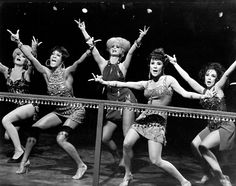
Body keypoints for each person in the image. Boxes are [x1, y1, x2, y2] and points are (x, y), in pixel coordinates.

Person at [91, 48, 213, 186]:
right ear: (149, 65)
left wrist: (203, 96)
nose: (155, 66)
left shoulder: (168, 80)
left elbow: (186, 94)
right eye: (153, 63)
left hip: (157, 122)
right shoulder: (147, 83)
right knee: (126, 143)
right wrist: (105, 83)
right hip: (144, 118)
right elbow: (123, 83)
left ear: (163, 66)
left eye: (158, 64)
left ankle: (184, 181)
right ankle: (128, 175)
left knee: (156, 160)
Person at [8, 29, 90, 179]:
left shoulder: (66, 72)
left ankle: (81, 165)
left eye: (58, 55)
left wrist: (88, 50)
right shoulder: (46, 72)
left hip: (75, 110)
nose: (54, 56)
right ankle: (24, 162)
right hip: (59, 111)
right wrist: (19, 43)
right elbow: (32, 59)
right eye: (53, 54)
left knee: (60, 139)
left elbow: (77, 63)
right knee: (34, 129)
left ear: (62, 60)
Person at [75, 19, 149, 165]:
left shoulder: (123, 66)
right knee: (104, 137)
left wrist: (139, 39)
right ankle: (117, 155)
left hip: (126, 99)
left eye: (118, 47)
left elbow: (131, 53)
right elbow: (92, 48)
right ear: (109, 50)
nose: (115, 48)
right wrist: (83, 30)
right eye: (112, 46)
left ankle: (126, 166)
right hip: (112, 102)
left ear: (122, 51)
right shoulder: (103, 64)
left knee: (127, 135)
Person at [168, 55, 236, 186]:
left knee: (203, 147)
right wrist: (175, 64)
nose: (209, 78)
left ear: (216, 78)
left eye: (212, 76)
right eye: (207, 75)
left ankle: (222, 178)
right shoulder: (203, 91)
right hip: (212, 126)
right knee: (194, 145)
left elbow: (227, 73)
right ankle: (208, 172)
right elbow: (188, 79)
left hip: (225, 125)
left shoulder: (218, 88)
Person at [0, 34, 41, 163]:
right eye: (18, 54)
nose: (20, 57)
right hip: (18, 109)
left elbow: (33, 63)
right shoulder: (7, 71)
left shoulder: (27, 73)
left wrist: (33, 51)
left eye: (23, 56)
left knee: (5, 120)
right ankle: (23, 153)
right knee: (7, 136)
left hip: (30, 107)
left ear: (26, 60)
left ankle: (19, 151)